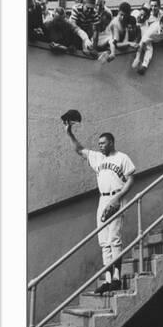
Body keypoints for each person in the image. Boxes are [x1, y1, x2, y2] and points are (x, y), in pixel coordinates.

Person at [65, 125, 135, 294]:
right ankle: (108, 279)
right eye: (99, 143)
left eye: (103, 143)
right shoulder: (98, 158)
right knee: (103, 241)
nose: (100, 146)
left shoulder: (122, 158)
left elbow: (131, 179)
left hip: (116, 198)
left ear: (111, 143)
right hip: (102, 199)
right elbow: (79, 149)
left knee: (114, 239)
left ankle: (117, 278)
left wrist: (117, 199)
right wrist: (69, 132)